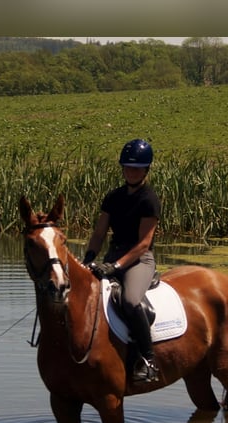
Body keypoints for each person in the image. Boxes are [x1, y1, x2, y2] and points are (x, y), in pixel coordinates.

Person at [82, 138, 161, 384]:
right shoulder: (113, 197)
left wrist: (116, 267)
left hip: (139, 260)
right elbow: (98, 234)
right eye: (127, 167)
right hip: (113, 255)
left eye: (136, 168)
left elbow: (143, 244)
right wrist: (89, 259)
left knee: (129, 300)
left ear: (146, 170)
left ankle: (148, 360)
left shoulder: (149, 199)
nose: (131, 172)